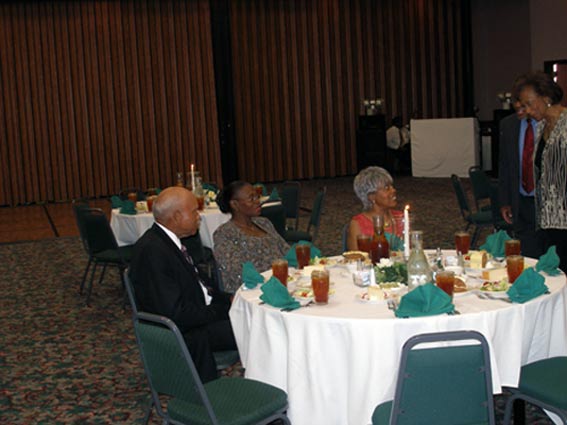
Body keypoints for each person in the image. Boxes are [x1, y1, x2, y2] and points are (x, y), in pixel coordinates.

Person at [129, 186, 236, 383]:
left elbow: (201, 285)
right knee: (257, 328)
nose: (199, 216)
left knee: (252, 317)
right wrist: (222, 310)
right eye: (194, 211)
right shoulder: (153, 252)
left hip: (198, 317)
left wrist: (228, 299)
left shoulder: (168, 242)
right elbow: (177, 313)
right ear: (177, 217)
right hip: (185, 332)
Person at [517, 71, 567, 271]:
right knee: (554, 272)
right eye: (524, 105)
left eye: (530, 103)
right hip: (547, 219)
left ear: (546, 97)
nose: (527, 110)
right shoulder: (540, 128)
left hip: (565, 217)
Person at [213, 181, 290, 293]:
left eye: (257, 197)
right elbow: (236, 273)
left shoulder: (264, 223)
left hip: (282, 281)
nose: (258, 201)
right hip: (254, 290)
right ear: (235, 204)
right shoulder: (225, 233)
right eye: (251, 198)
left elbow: (286, 250)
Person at [498, 75, 544, 258]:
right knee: (528, 254)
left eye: (523, 106)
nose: (520, 110)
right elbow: (505, 166)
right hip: (521, 201)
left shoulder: (549, 123)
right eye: (516, 106)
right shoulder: (508, 125)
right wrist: (505, 201)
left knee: (552, 253)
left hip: (547, 202)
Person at [347, 166, 404, 251]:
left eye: (391, 186)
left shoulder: (401, 217)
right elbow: (356, 257)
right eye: (387, 188)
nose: (393, 190)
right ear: (371, 197)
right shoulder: (358, 224)